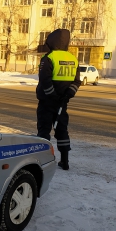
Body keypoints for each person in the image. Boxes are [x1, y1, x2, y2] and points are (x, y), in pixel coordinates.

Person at [36, 28, 81, 170]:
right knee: (62, 130)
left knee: (44, 130)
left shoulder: (48, 58)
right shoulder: (73, 59)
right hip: (63, 102)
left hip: (48, 102)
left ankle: (43, 160)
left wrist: (52, 95)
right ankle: (65, 161)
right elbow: (76, 81)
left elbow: (45, 80)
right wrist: (68, 95)